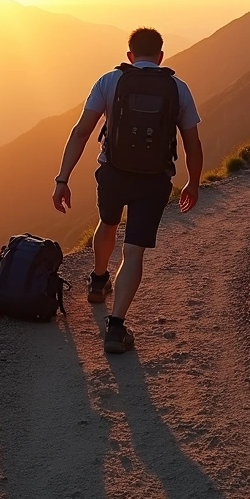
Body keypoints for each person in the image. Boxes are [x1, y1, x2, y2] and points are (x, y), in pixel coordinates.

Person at [51, 27, 203, 354]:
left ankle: (97, 279)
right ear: (161, 56)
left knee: (107, 224)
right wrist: (193, 181)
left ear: (130, 55)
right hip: (154, 180)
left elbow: (81, 132)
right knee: (133, 250)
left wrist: (62, 179)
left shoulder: (110, 81)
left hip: (113, 174)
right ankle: (116, 328)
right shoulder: (178, 88)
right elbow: (192, 144)